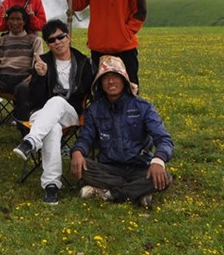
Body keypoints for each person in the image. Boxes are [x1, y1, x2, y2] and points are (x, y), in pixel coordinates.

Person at [70, 56, 173, 209]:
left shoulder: (143, 107)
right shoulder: (94, 109)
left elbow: (164, 139)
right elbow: (86, 138)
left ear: (124, 79)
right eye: (106, 78)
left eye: (116, 76)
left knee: (164, 177)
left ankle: (109, 194)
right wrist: (77, 152)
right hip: (108, 168)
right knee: (83, 167)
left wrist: (158, 160)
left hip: (139, 166)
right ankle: (138, 192)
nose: (111, 81)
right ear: (100, 83)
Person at [12, 19, 95, 205]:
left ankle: (31, 140)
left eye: (61, 37)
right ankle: (51, 186)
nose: (57, 42)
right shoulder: (43, 62)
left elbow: (93, 91)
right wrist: (40, 77)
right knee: (53, 129)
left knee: (57, 101)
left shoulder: (83, 62)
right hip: (41, 114)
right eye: (51, 40)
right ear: (48, 44)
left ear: (69, 37)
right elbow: (34, 98)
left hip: (71, 113)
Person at [0, 6, 44, 117]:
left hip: (24, 79)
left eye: (18, 19)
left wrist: (32, 76)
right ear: (7, 21)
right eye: (12, 19)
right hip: (4, 79)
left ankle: (24, 126)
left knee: (24, 88)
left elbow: (38, 62)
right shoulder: (0, 41)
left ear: (24, 21)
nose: (15, 22)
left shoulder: (34, 40)